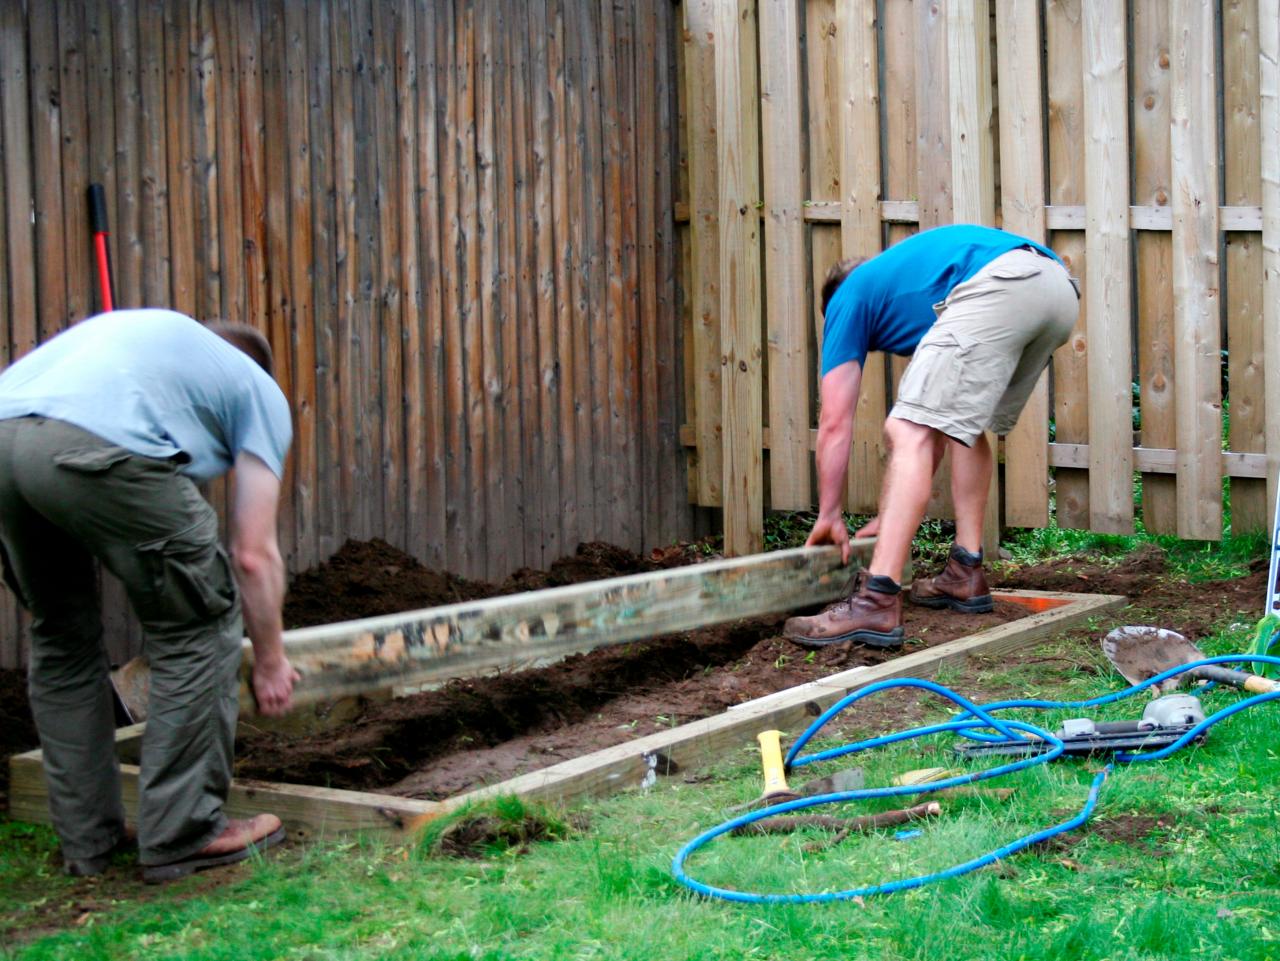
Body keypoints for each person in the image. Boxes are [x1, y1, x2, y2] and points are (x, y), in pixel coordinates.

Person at [0, 308, 298, 882]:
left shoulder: (148, 349)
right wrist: (270, 659)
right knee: (199, 624)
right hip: (85, 445)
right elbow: (253, 555)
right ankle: (184, 831)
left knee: (60, 635)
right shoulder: (256, 388)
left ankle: (88, 839)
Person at [785, 224, 1079, 649]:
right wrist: (891, 515)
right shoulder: (920, 291)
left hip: (1005, 283)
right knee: (965, 427)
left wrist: (829, 513)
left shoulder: (848, 297)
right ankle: (966, 571)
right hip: (1055, 287)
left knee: (903, 429)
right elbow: (942, 424)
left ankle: (877, 599)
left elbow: (834, 422)